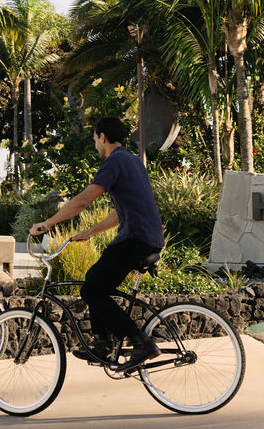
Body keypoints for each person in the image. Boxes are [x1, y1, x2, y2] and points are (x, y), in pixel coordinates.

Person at [29, 116, 165, 373]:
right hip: (146, 238)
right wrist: (91, 231)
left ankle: (140, 342)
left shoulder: (113, 162)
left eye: (94, 140)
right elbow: (120, 213)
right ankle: (103, 344)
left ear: (102, 136)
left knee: (92, 290)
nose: (95, 145)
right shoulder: (133, 161)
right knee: (95, 282)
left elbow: (83, 201)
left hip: (136, 239)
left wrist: (47, 223)